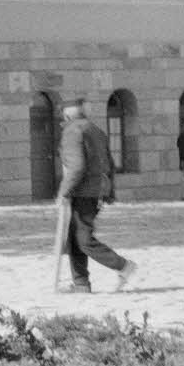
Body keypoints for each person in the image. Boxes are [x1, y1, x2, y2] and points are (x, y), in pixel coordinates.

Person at [57, 98, 137, 293]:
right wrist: (110, 192)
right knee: (75, 239)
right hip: (96, 190)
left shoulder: (72, 131)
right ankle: (81, 284)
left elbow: (77, 166)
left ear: (67, 116)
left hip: (82, 191)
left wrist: (63, 192)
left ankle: (123, 266)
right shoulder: (96, 130)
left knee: (83, 239)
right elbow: (109, 164)